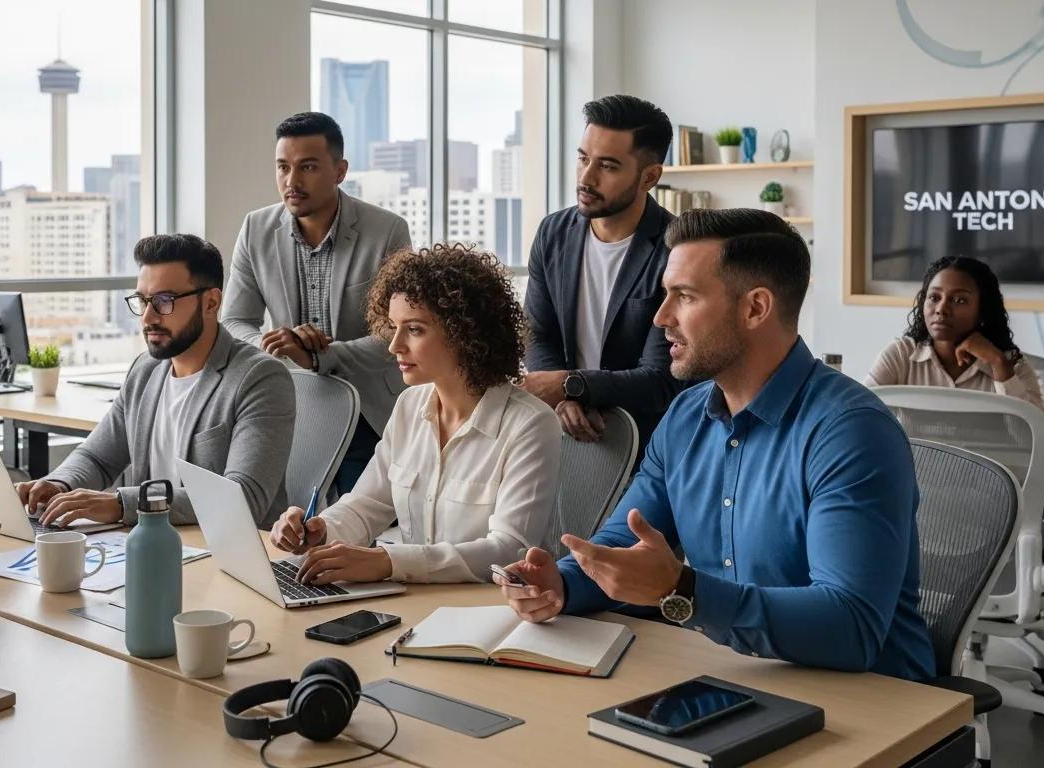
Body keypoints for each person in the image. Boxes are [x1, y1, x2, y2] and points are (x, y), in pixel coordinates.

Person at [495, 209, 936, 681]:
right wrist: (561, 583)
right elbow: (624, 544)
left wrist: (684, 589)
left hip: (877, 702)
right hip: (730, 676)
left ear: (755, 308)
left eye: (683, 297)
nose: (661, 318)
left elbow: (851, 626)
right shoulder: (685, 417)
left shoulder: (850, 432)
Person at [269, 244, 560, 585]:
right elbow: (367, 505)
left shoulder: (530, 424)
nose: (394, 346)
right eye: (394, 327)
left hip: (491, 611)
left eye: (415, 329)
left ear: (465, 333)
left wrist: (387, 562)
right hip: (415, 605)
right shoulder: (409, 406)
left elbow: (508, 550)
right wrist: (320, 530)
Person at [18, 234, 296, 529]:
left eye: (165, 301)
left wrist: (121, 504)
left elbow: (243, 498)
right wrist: (59, 484)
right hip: (151, 546)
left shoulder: (260, 378)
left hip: (228, 557)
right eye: (142, 300)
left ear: (211, 303)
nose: (148, 317)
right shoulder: (145, 370)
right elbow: (98, 457)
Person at [222, 112, 412, 495]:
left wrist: (320, 356)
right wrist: (273, 344)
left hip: (368, 411)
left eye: (307, 167)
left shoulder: (386, 230)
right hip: (289, 403)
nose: (292, 181)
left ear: (340, 171)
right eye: (282, 167)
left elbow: (398, 332)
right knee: (287, 526)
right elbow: (233, 320)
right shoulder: (256, 229)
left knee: (356, 533)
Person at [522, 95, 684, 446]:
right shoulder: (552, 233)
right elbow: (538, 334)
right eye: (583, 159)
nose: (586, 177)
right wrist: (565, 397)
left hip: (649, 447)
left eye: (608, 166)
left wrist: (574, 385)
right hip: (562, 434)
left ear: (649, 177)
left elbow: (662, 378)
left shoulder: (678, 250)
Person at [864, 255, 1044, 409]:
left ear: (983, 310)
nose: (941, 309)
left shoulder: (1012, 365)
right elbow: (858, 413)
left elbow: (1036, 436)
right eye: (934, 297)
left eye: (959, 300)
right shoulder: (901, 355)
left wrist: (998, 364)